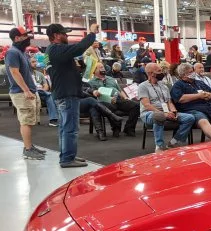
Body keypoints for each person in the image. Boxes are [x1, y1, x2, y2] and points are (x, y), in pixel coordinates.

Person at [46, 23, 101, 167]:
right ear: (56, 36)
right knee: (70, 128)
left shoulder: (51, 51)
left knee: (65, 128)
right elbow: (79, 47)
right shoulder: (57, 49)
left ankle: (67, 156)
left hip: (62, 93)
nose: (67, 36)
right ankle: (67, 159)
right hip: (67, 94)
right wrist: (91, 33)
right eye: (64, 33)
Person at [6, 27, 45, 160]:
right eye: (24, 36)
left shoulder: (21, 52)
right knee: (26, 121)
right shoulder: (12, 52)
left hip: (28, 91)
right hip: (21, 93)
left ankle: (29, 146)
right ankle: (28, 150)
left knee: (29, 120)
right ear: (17, 38)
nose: (27, 38)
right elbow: (14, 72)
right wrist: (26, 90)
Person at [138, 63, 195, 151]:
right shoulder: (143, 86)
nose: (162, 73)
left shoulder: (164, 86)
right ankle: (159, 146)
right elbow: (147, 105)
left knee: (189, 118)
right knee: (159, 116)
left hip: (167, 112)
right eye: (159, 71)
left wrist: (173, 111)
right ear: (150, 73)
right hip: (149, 113)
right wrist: (163, 113)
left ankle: (174, 142)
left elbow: (169, 102)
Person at [170, 63, 211, 141]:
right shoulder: (178, 85)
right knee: (203, 121)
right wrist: (198, 96)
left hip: (210, 107)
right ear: (183, 75)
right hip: (193, 110)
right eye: (190, 72)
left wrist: (210, 95)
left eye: (192, 71)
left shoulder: (199, 82)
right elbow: (180, 99)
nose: (193, 73)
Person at [89, 62, 139, 136]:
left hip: (118, 99)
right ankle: (116, 128)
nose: (103, 68)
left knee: (136, 106)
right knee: (109, 108)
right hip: (105, 101)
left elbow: (120, 90)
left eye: (103, 67)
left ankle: (129, 128)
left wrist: (125, 97)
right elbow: (94, 95)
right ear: (94, 70)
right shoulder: (91, 82)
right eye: (100, 67)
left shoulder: (111, 79)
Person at [29, 57, 59, 126]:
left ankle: (53, 120)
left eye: (35, 62)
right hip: (31, 92)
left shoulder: (40, 74)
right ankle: (53, 119)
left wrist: (42, 90)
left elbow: (46, 86)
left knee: (49, 96)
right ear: (28, 63)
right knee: (50, 96)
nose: (35, 63)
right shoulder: (26, 74)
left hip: (41, 92)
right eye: (33, 62)